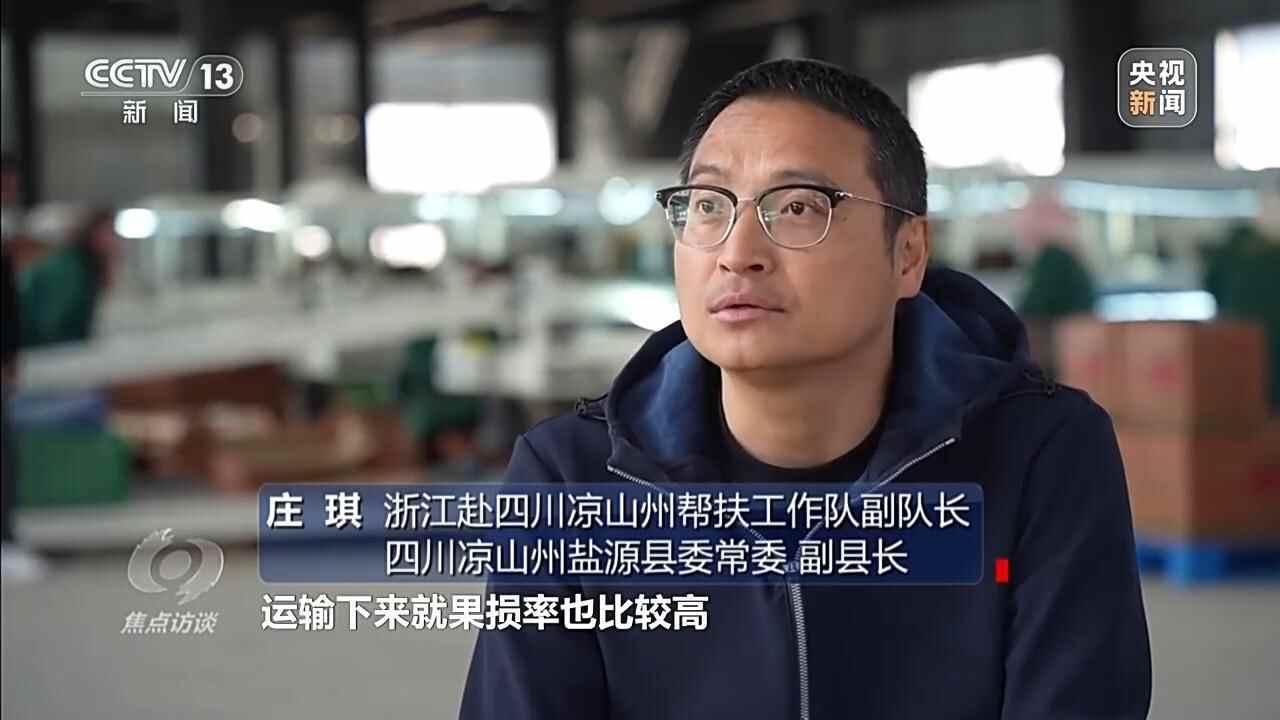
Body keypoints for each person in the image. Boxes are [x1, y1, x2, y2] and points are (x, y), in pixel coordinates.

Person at [461, 59, 1151, 719]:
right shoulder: (572, 482)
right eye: (708, 205)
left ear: (907, 253)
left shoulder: (1040, 457)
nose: (737, 253)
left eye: (797, 207)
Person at [19, 207, 120, 348]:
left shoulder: (85, 265)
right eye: (110, 233)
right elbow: (49, 325)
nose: (115, 241)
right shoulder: (69, 269)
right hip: (43, 350)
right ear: (93, 233)